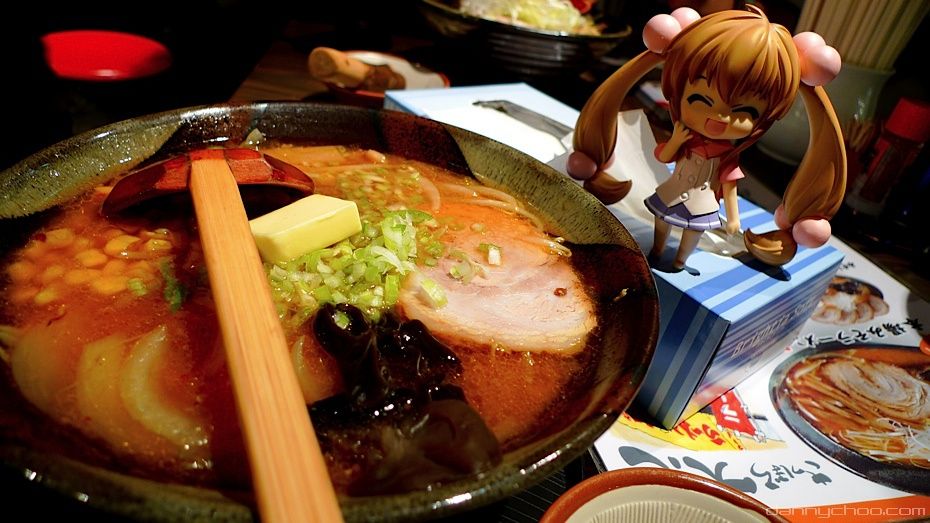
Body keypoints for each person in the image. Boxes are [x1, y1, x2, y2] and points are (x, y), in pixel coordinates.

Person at [566, 6, 846, 268]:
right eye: (700, 99)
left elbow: (730, 186)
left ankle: (680, 261)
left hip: (702, 202)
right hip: (672, 191)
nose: (720, 118)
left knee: (692, 233)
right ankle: (658, 250)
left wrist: (733, 217)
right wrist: (676, 141)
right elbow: (663, 156)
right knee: (662, 222)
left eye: (745, 111)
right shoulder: (687, 139)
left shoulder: (727, 157)